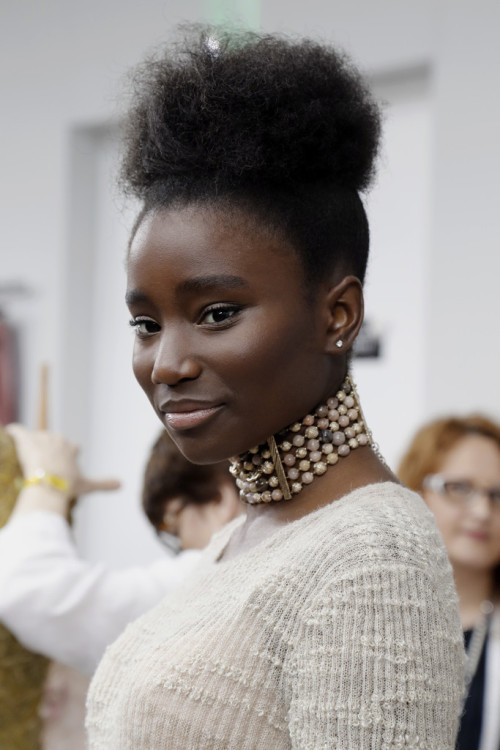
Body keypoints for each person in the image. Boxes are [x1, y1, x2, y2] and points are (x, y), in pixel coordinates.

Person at [21, 26, 464, 748]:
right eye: (145, 322)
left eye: (216, 313)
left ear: (338, 314)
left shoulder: (371, 557)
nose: (166, 362)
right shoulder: (244, 533)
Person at [0, 425, 241, 675]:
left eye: (173, 526)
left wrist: (48, 482)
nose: (180, 548)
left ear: (218, 499)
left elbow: (26, 589)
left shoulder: (220, 579)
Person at [398, 415, 500, 750]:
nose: (483, 511)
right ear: (416, 493)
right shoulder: (377, 626)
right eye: (460, 488)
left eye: (497, 495)